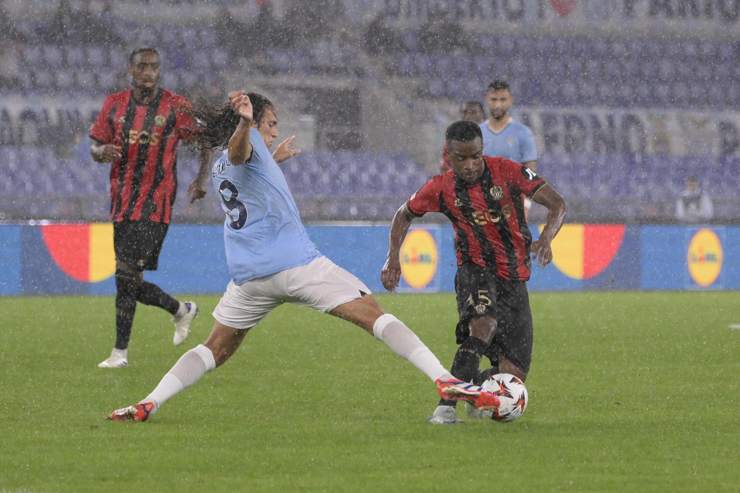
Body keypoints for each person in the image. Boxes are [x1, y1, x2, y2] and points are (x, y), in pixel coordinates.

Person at [108, 90, 500, 422]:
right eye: (271, 122)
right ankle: (443, 379)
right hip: (295, 265)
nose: (275, 129)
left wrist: (272, 157)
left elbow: (246, 173)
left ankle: (149, 403)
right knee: (374, 315)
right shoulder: (245, 143)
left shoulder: (221, 168)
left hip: (250, 278)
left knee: (214, 349)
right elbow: (242, 150)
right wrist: (246, 125)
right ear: (254, 122)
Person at [382, 121, 566, 424]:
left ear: (483, 152)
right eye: (461, 158)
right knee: (484, 324)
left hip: (515, 277)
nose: (469, 165)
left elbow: (558, 203)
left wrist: (546, 238)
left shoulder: (508, 171)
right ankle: (445, 408)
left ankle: (477, 389)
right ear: (448, 156)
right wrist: (393, 259)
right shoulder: (440, 187)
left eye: (475, 157)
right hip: (475, 270)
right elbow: (404, 215)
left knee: (513, 376)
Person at [90, 47, 213, 369]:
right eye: (143, 66)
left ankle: (119, 353)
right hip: (122, 202)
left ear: (159, 70)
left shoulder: (175, 105)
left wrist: (202, 180)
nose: (149, 72)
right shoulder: (114, 104)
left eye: (154, 67)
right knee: (126, 279)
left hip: (156, 202)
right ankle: (180, 310)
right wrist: (101, 150)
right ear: (131, 70)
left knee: (126, 274)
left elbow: (204, 140)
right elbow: (95, 146)